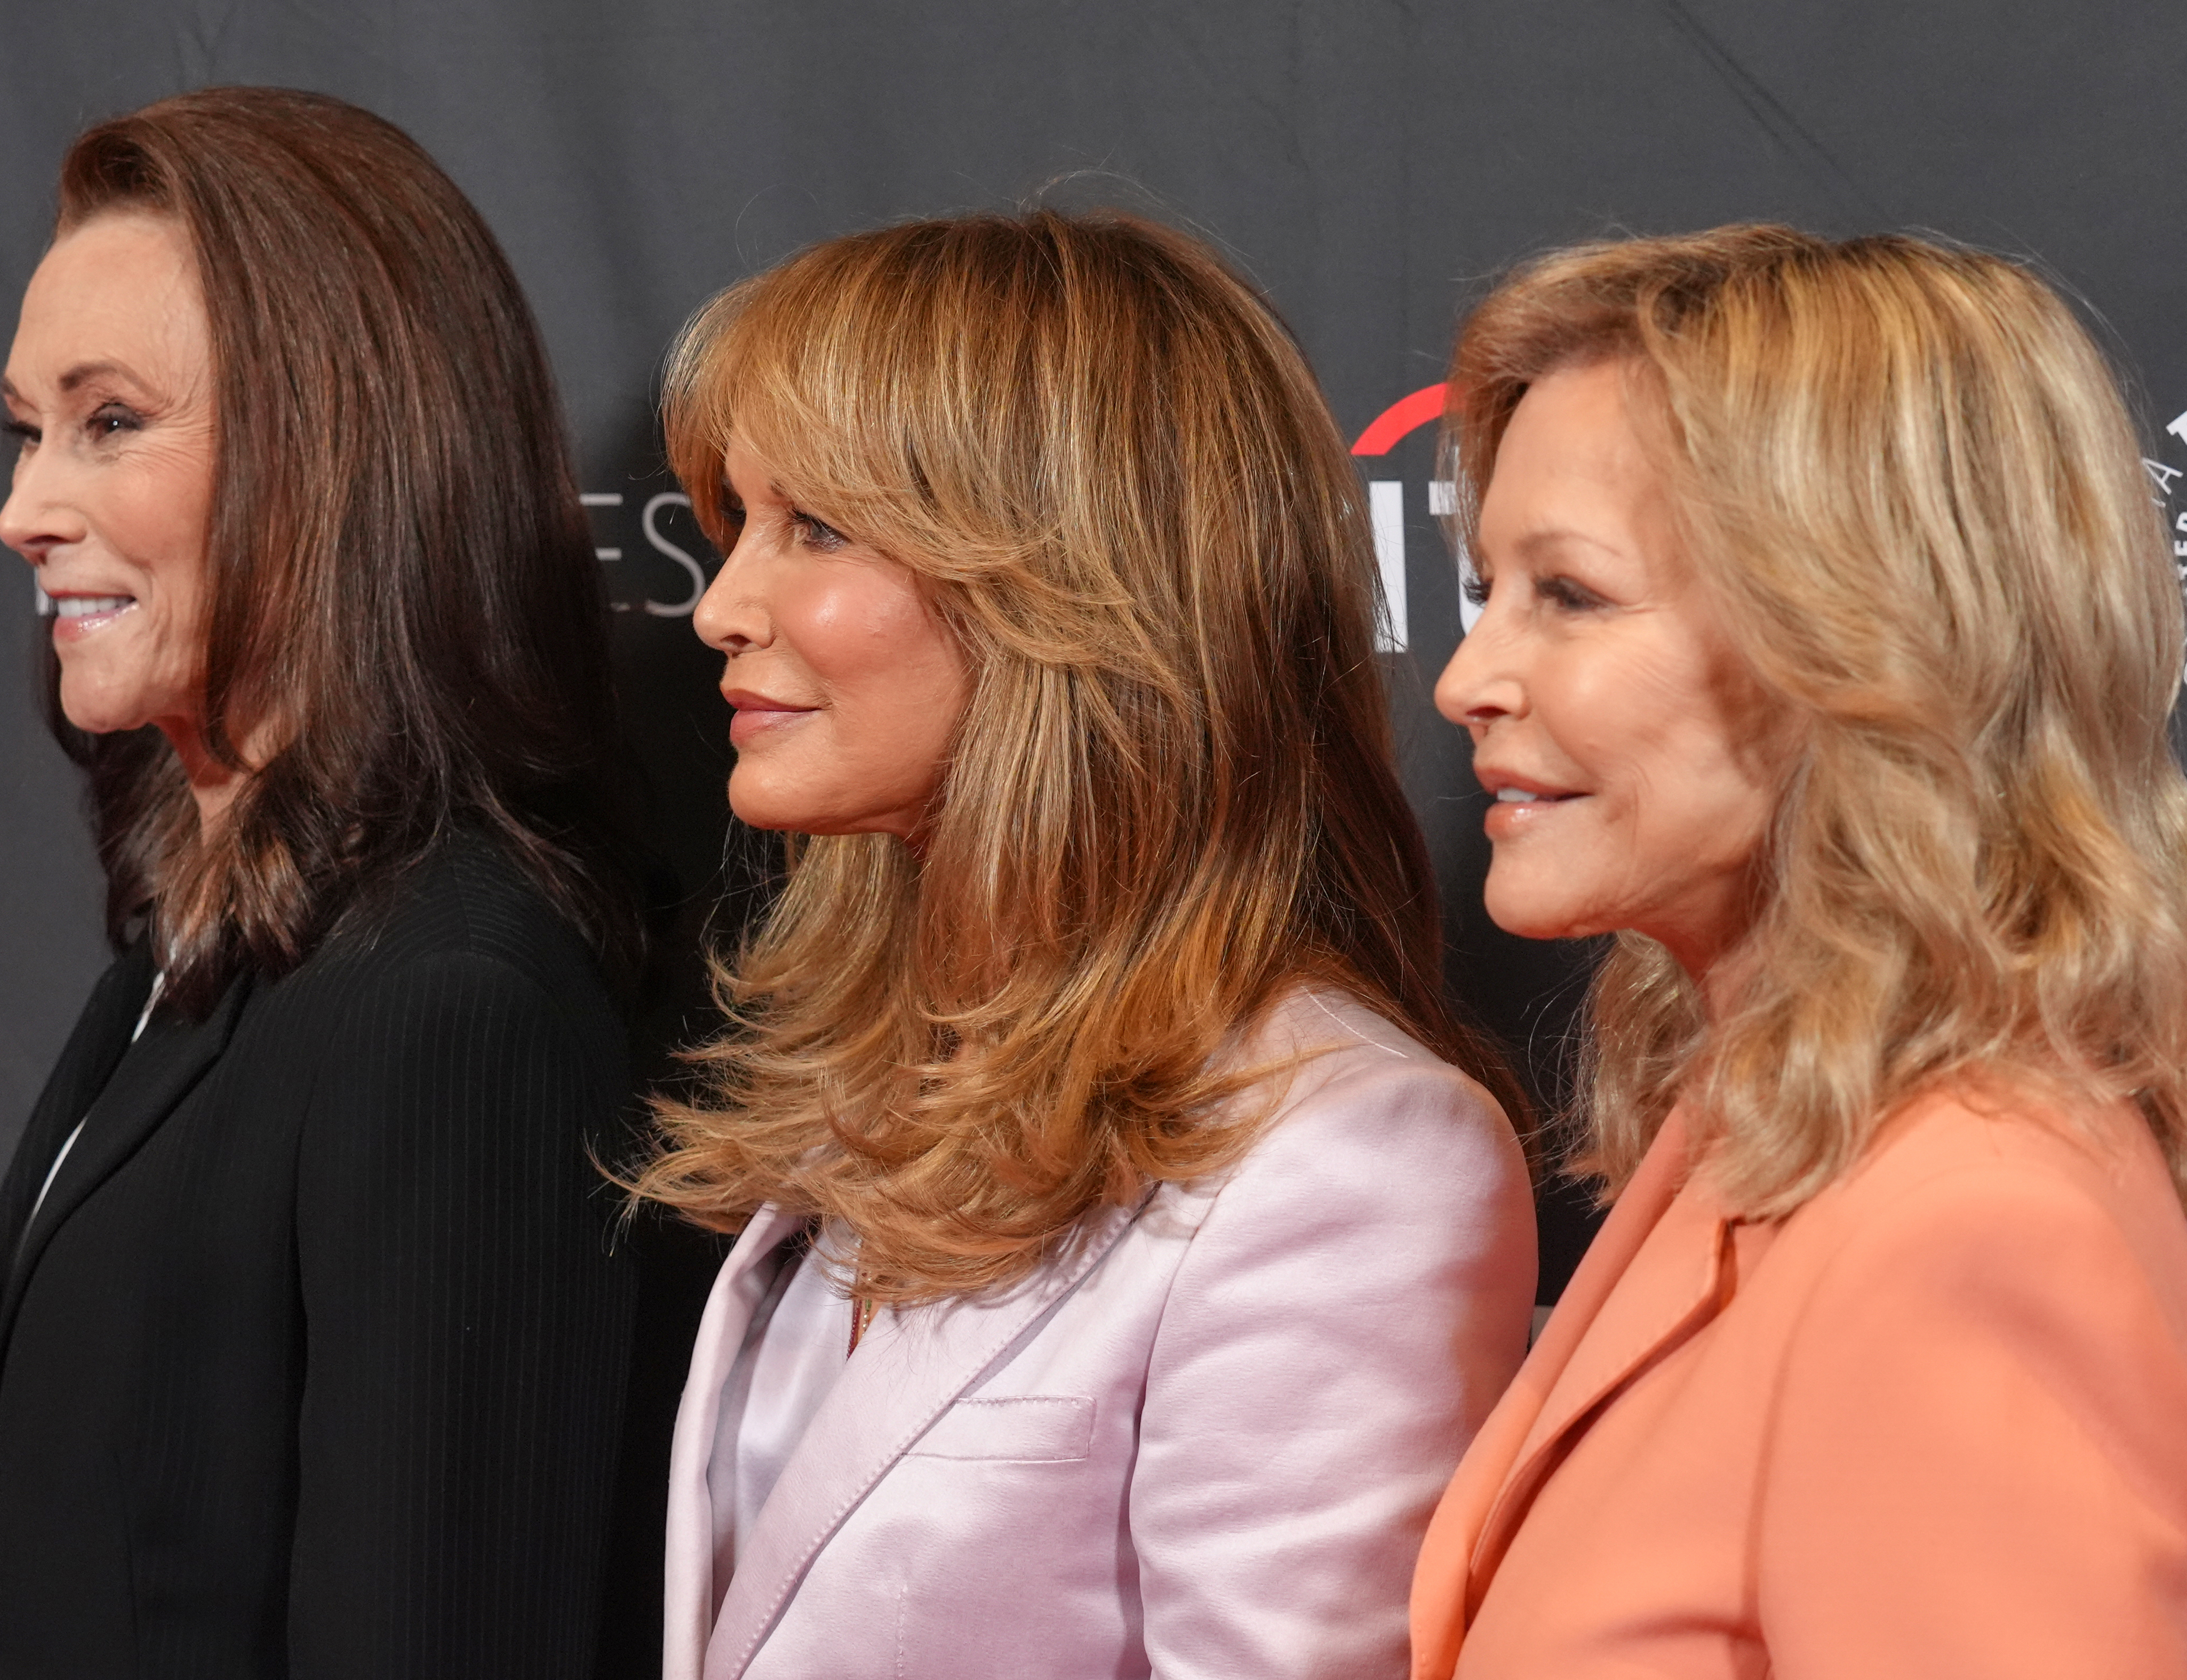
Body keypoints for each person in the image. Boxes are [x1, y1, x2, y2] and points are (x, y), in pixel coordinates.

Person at [629, 209, 1538, 1680]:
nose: (722, 608)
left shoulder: (1347, 1162)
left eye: (818, 528)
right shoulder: (901, 1083)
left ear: (1065, 578)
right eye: (739, 525)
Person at [1409, 225, 2187, 1679]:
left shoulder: (1970, 1231)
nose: (1466, 679)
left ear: (1853, 637)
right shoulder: (1773, 1131)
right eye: (1486, 590)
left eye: (1570, 596)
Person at [0, 88, 677, 1679]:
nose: (21, 511)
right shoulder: (200, 929)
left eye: (110, 422)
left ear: (330, 446)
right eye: (28, 429)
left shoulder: (451, 1009)